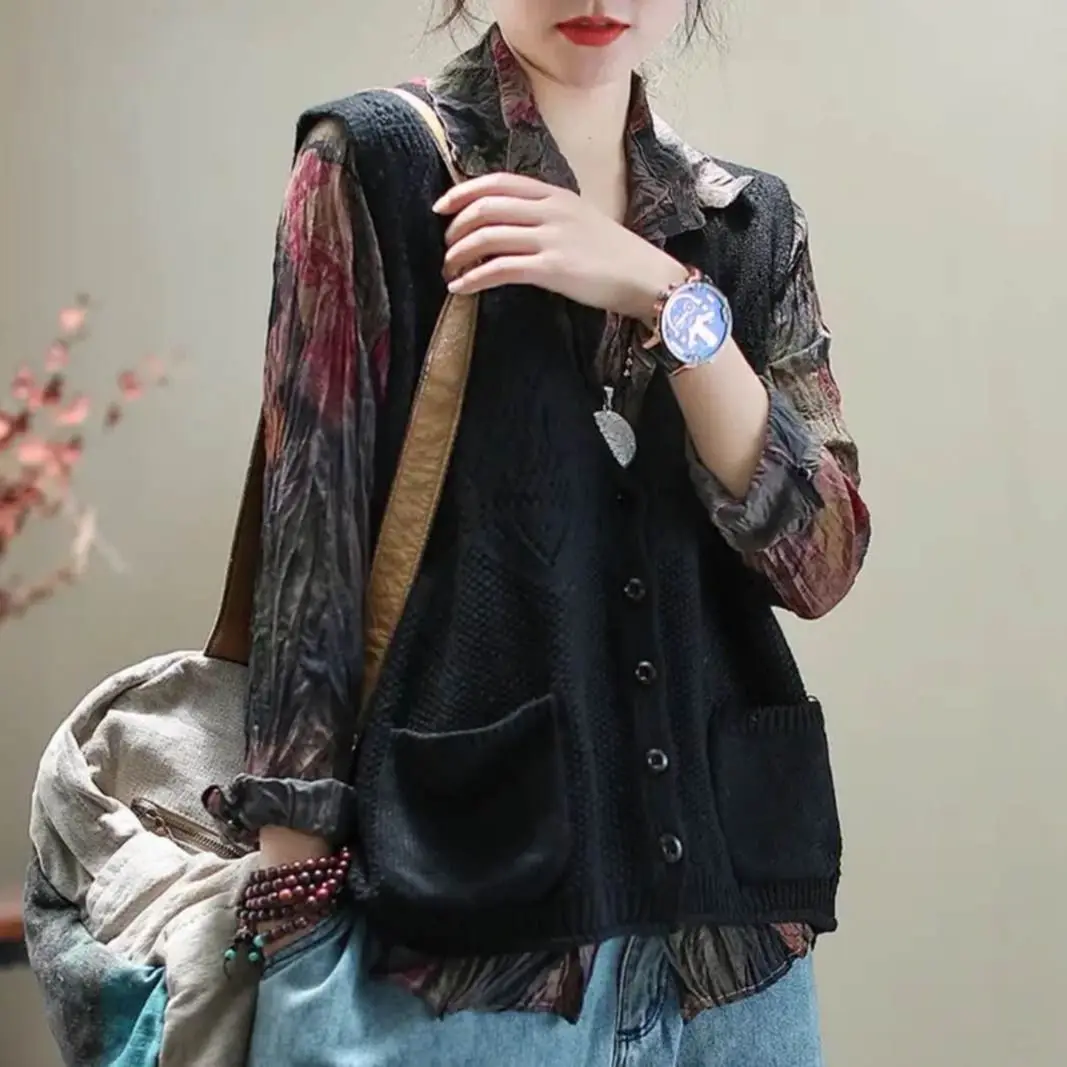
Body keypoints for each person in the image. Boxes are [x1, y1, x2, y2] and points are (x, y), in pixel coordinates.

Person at [202, 2, 871, 1063]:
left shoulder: (748, 223)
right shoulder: (375, 166)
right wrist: (294, 933)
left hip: (728, 951)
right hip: (459, 954)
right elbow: (308, 567)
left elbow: (821, 561)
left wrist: (666, 295)